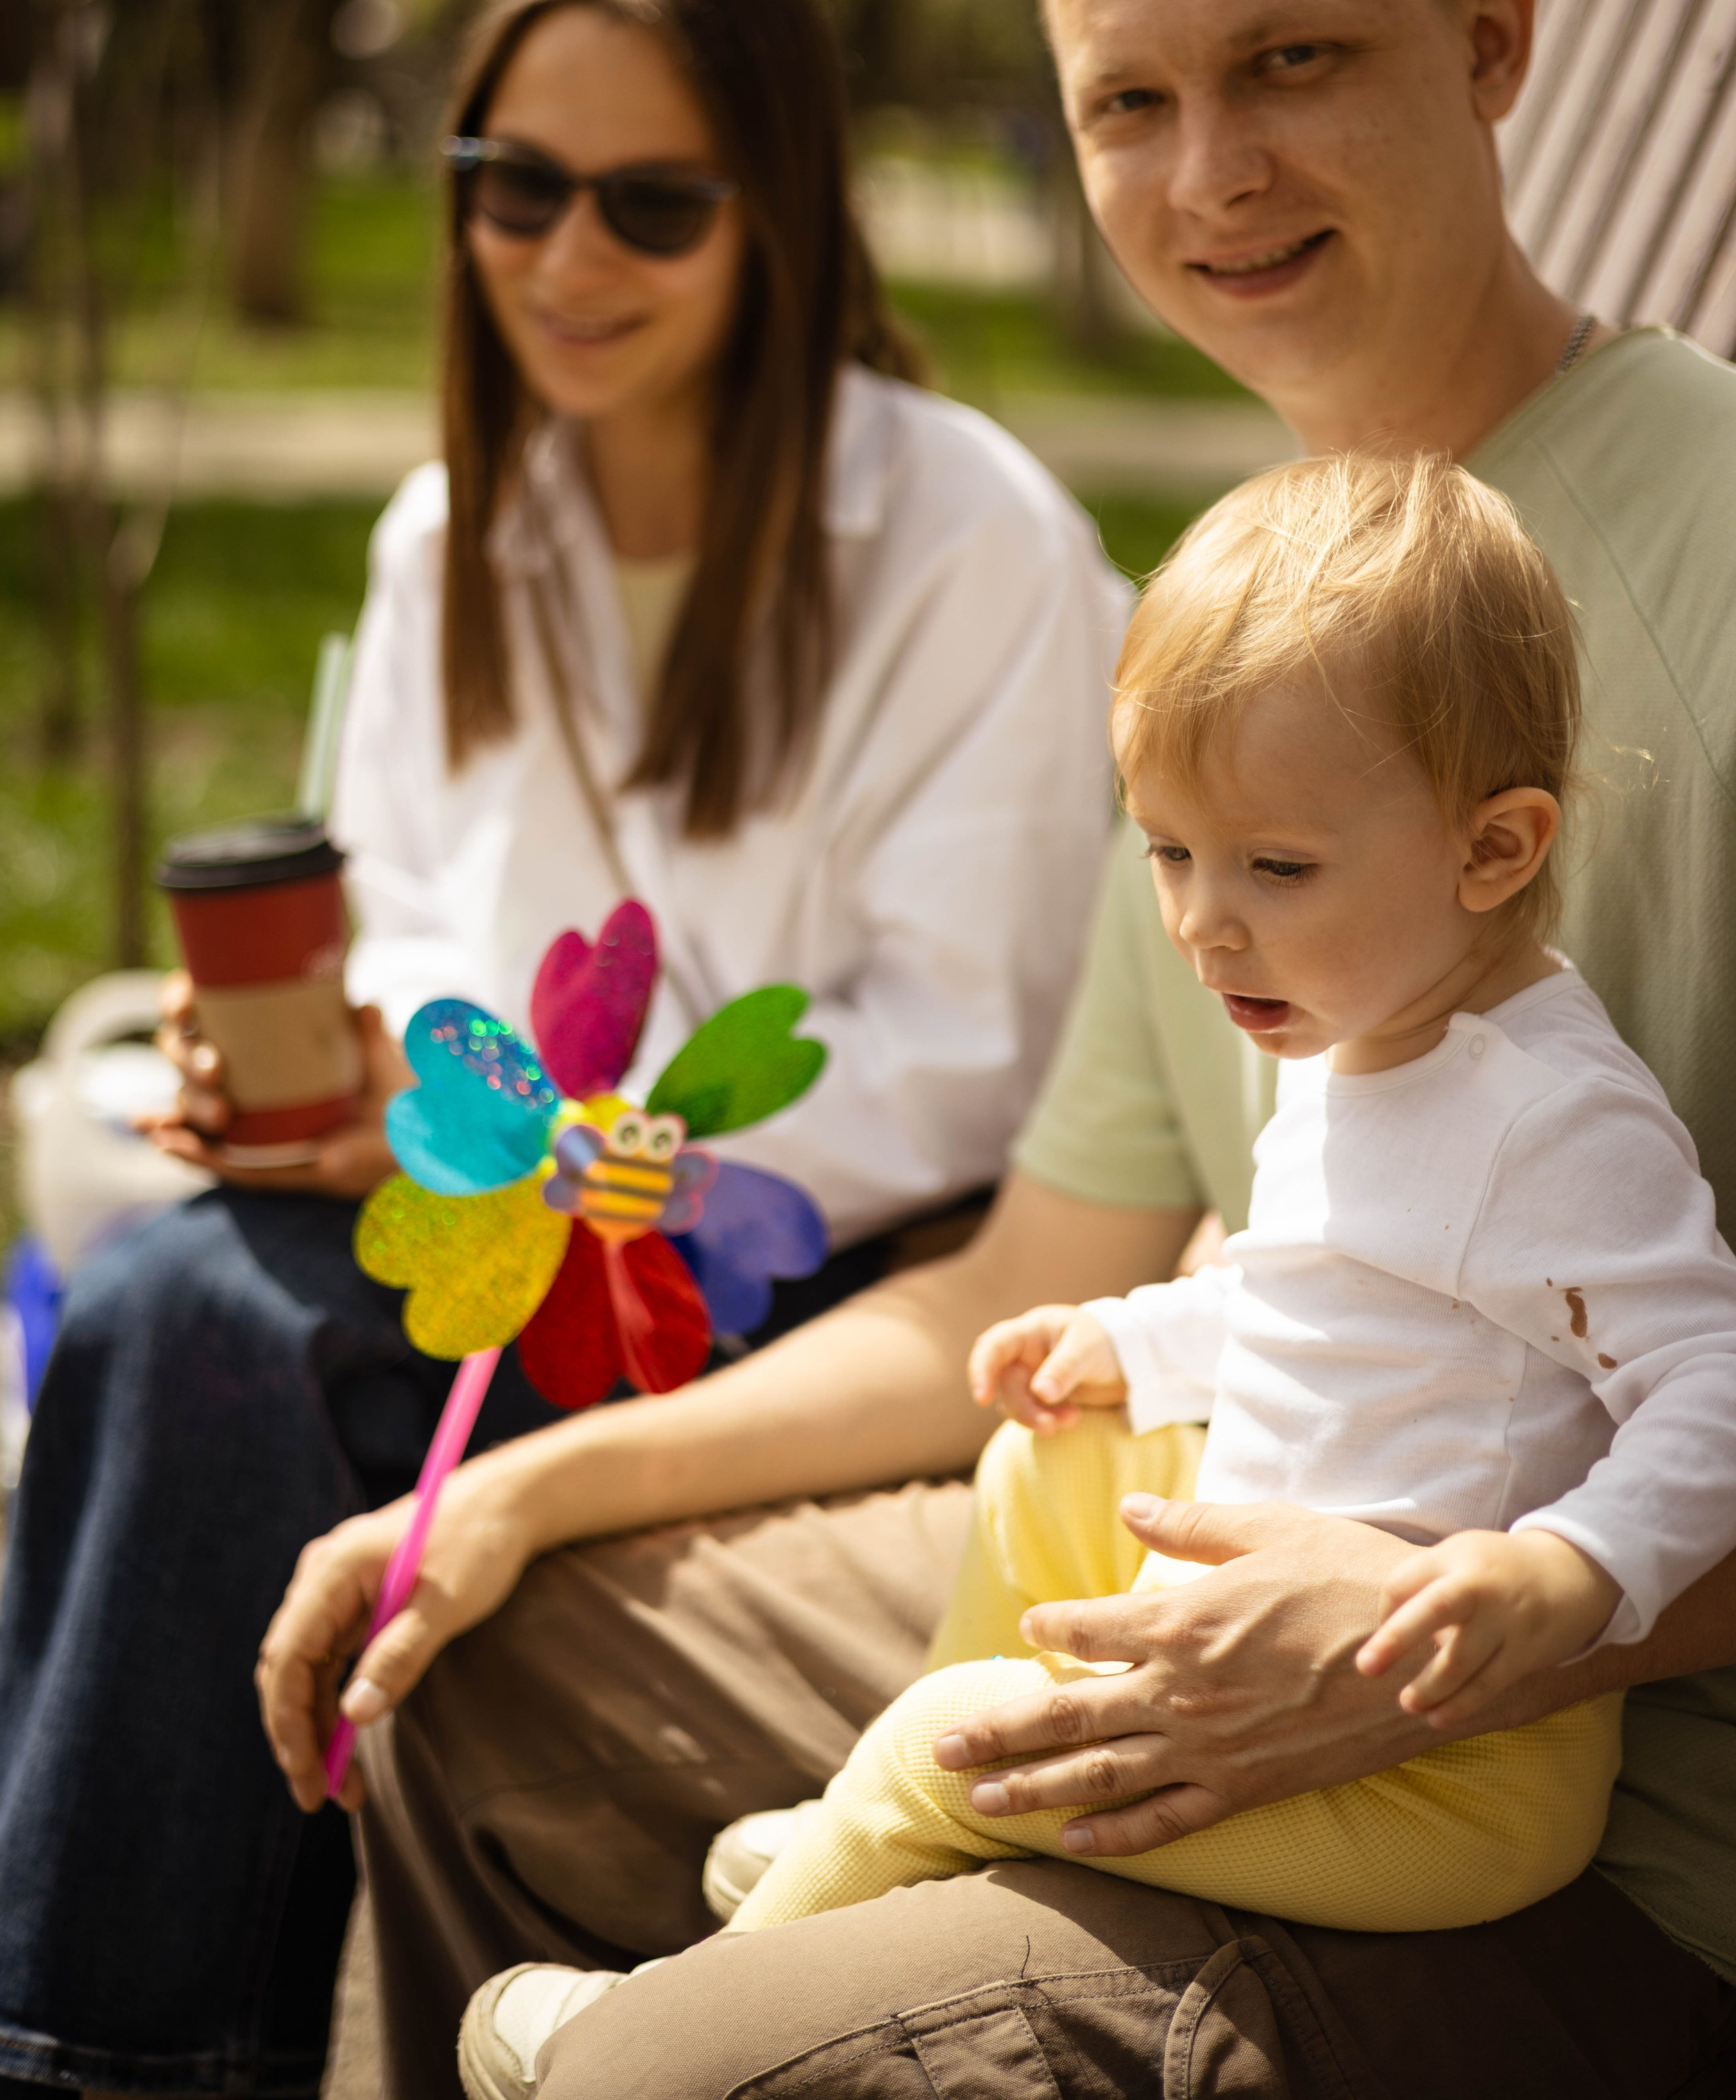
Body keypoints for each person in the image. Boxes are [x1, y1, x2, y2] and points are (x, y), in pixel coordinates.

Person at [259, 0, 1736, 2100]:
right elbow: (1041, 1271)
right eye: (1125, 103)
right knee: (471, 1670)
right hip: (1206, 1573)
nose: (1212, 174)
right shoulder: (1243, 659)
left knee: (654, 2079)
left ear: (1492, 44)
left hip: (1609, 1850)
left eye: (1292, 64)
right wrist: (522, 1494)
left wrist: (1479, 1630)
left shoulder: (1717, 563)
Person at [0, 0, 1125, 2100]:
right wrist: (352, 1075)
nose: (564, 257)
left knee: (201, 1330)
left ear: (776, 209)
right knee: (158, 1302)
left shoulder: (966, 541)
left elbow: (955, 1071)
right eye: (511, 186)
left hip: (805, 1288)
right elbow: (414, 928)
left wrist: (534, 1148)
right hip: (480, 1252)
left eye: (651, 202)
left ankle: (64, 2074)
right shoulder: (451, 538)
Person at [707, 456, 1736, 1945]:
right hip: (1280, 1651)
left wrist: (1564, 1570)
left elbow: (1709, 1378)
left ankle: (722, 1970)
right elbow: (1328, 1304)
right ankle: (944, 1819)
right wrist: (1137, 1341)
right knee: (1045, 1460)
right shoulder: (1359, 1028)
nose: (1201, 921)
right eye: (1168, 851)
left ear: (1491, 848)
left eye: (1274, 864)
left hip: (1447, 1769)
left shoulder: (1545, 1117)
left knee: (939, 1747)